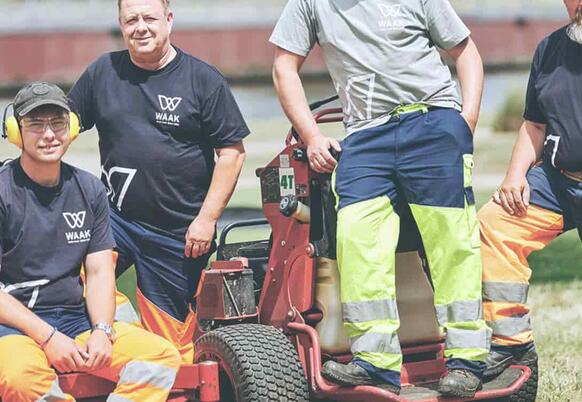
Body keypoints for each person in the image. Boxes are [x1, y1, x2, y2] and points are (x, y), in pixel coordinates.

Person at [270, 0, 489, 397]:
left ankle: (467, 358)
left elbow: (465, 51)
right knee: (355, 237)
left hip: (432, 119)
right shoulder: (308, 4)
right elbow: (284, 66)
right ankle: (375, 360)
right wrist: (312, 135)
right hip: (364, 134)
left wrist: (465, 120)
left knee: (451, 242)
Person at [69, 0, 250, 362]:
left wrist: (207, 220)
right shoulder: (104, 72)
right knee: (66, 285)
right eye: (130, 20)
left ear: (168, 20)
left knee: (172, 346)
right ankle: (105, 355)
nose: (141, 27)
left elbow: (231, 153)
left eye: (149, 18)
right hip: (114, 221)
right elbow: (62, 127)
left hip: (178, 234)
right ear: (121, 25)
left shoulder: (202, 79)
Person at [0, 81, 181, 401]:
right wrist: (48, 338)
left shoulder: (90, 190)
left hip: (74, 319)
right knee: (20, 378)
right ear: (16, 132)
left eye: (58, 123)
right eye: (36, 124)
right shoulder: (3, 191)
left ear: (71, 129)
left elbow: (99, 273)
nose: (48, 134)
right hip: (12, 326)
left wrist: (102, 330)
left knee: (160, 357)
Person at [478, 0, 582, 381]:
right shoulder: (550, 49)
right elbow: (534, 125)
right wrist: (514, 175)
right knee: (496, 223)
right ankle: (511, 343)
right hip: (557, 182)